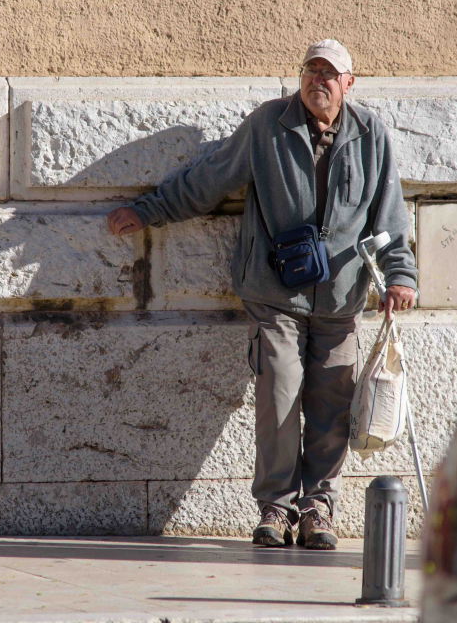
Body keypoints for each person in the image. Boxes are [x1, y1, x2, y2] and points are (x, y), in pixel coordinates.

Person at [106, 40, 417, 550]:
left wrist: (400, 276)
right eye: (311, 70)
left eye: (330, 73)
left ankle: (319, 506)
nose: (319, 80)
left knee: (331, 404)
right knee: (279, 393)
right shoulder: (268, 125)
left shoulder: (371, 135)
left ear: (349, 84)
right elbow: (207, 180)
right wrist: (149, 210)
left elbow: (389, 219)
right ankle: (277, 504)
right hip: (275, 293)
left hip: (340, 299)